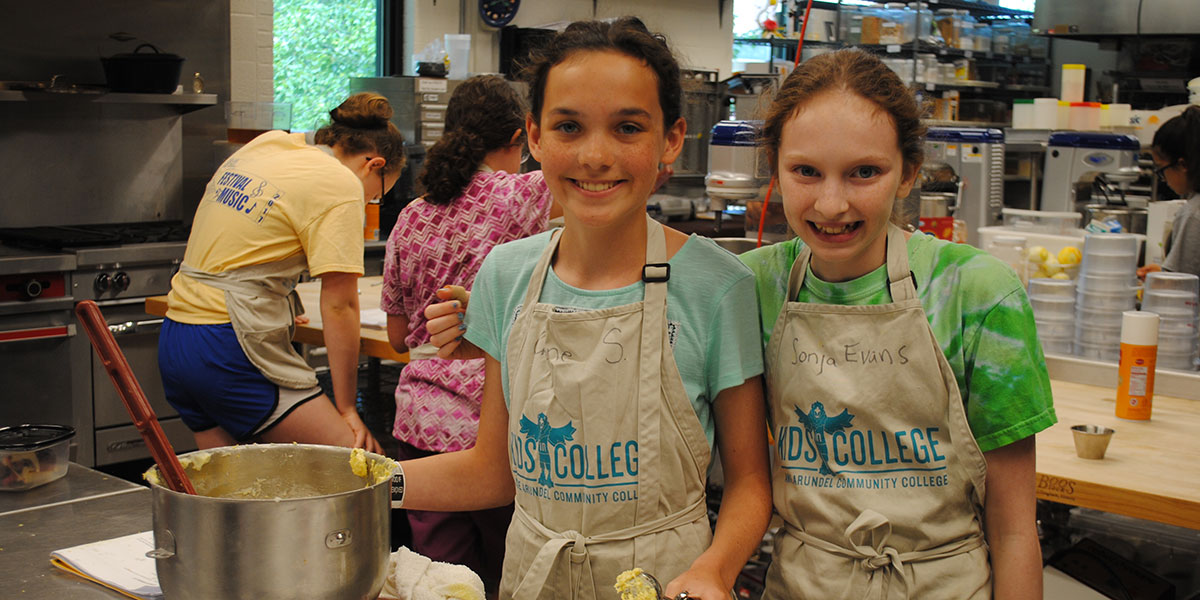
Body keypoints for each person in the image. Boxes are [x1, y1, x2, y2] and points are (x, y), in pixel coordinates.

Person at [402, 17, 772, 600]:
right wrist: (358, 484)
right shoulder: (507, 275)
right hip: (534, 576)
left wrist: (716, 570)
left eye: (628, 128)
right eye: (569, 126)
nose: (595, 156)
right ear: (534, 136)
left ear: (671, 139)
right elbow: (491, 473)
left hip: (666, 580)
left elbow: (752, 482)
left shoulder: (717, 287)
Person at [737, 49, 1057, 599]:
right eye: (806, 171)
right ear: (775, 167)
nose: (832, 204)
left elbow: (1012, 530)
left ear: (908, 172)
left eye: (865, 172)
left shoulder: (977, 294)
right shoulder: (750, 289)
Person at [380, 74, 557, 593]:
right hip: (491, 429)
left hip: (418, 427)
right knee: (510, 578)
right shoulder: (521, 196)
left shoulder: (412, 213)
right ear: (519, 139)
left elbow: (397, 335)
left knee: (439, 584)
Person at [158, 92, 405, 454]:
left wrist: (281, 298)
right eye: (377, 196)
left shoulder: (271, 145)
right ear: (374, 164)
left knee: (232, 490)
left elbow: (248, 242)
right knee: (358, 462)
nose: (369, 202)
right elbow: (340, 307)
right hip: (225, 347)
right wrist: (347, 408)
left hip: (177, 338)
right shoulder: (342, 184)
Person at [1138, 105, 1200, 279]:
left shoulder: (1193, 214)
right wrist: (1163, 274)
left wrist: (1161, 281)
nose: (1163, 178)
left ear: (1183, 165)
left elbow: (1182, 289)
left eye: (1161, 169)